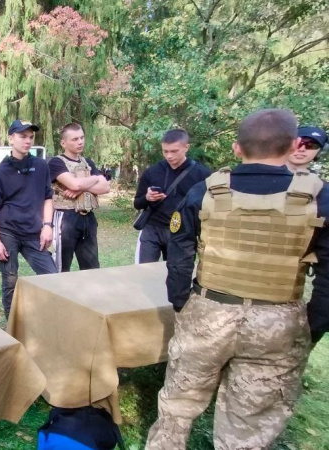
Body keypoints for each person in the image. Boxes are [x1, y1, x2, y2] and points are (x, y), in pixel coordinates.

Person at [146, 109, 329, 449]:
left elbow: (180, 247)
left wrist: (182, 300)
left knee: (176, 408)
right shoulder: (320, 197)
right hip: (278, 324)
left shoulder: (206, 191)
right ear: (292, 146)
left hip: (209, 312)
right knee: (250, 424)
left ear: (236, 148)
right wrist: (313, 323)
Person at [0, 119, 57, 319]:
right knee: (10, 280)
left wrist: (47, 226)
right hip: (8, 231)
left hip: (34, 232)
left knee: (52, 276)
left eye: (31, 137)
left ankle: (49, 318)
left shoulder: (41, 166)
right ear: (11, 138)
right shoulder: (2, 171)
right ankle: (12, 326)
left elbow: (47, 198)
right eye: (22, 136)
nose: (27, 141)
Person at [133, 129, 211, 263]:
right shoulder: (152, 172)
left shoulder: (202, 175)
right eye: (165, 151)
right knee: (143, 272)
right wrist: (147, 198)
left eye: (174, 151)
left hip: (182, 232)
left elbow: (209, 207)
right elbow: (137, 203)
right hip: (152, 229)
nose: (169, 156)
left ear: (186, 147)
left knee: (177, 276)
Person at [48, 123, 110, 272]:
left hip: (88, 218)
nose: (80, 142)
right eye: (75, 139)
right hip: (66, 218)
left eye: (82, 138)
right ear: (64, 143)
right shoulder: (56, 163)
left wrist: (80, 188)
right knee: (61, 267)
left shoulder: (88, 162)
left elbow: (105, 187)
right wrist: (93, 179)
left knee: (92, 267)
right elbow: (74, 184)